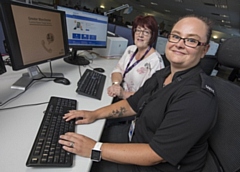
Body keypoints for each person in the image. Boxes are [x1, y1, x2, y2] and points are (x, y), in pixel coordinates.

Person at [58, 14, 218, 172]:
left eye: (191, 40)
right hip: (135, 136)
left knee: (75, 163)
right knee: (71, 138)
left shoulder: (197, 97)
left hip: (154, 163)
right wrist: (94, 114)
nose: (179, 44)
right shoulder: (164, 74)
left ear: (204, 50)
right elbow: (133, 104)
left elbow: (156, 154)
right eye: (176, 36)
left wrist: (94, 148)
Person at [107, 15, 165, 100]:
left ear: (152, 36)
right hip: (119, 96)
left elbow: (149, 95)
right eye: (138, 30)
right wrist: (115, 84)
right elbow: (118, 70)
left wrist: (123, 94)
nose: (140, 35)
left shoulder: (155, 61)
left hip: (133, 105)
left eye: (146, 32)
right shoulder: (130, 49)